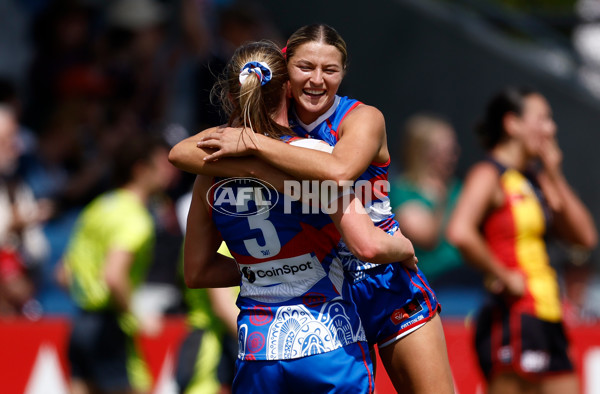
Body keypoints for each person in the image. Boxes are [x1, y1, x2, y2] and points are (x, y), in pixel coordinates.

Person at [172, 24, 454, 393]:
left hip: (382, 279)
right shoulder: (282, 135)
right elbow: (181, 153)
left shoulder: (361, 119)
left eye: (330, 70)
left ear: (343, 74)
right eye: (306, 67)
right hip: (325, 290)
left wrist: (253, 146)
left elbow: (339, 171)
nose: (317, 80)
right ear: (283, 73)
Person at [446, 86, 598, 394]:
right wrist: (502, 274)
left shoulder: (536, 179)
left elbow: (585, 238)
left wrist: (554, 173)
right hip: (512, 314)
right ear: (512, 124)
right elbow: (459, 231)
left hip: (548, 313)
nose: (551, 129)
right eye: (542, 119)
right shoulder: (489, 174)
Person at [57, 134, 179, 394]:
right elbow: (114, 275)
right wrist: (135, 315)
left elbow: (63, 275)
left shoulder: (98, 207)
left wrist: (89, 298)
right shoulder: (135, 217)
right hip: (109, 328)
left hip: (81, 325)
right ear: (140, 169)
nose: (171, 172)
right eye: (162, 165)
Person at [390, 113, 465, 288]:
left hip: (469, 279)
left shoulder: (459, 187)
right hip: (433, 283)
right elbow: (427, 237)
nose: (455, 156)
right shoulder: (403, 192)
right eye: (447, 150)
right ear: (424, 153)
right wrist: (441, 193)